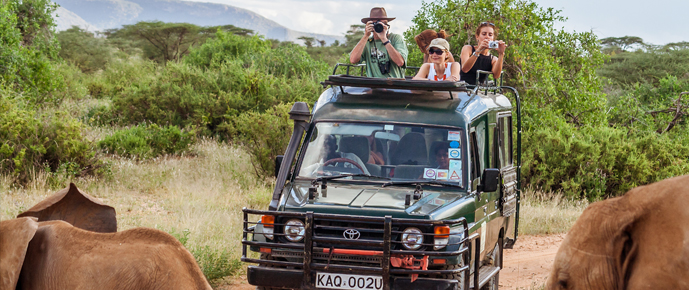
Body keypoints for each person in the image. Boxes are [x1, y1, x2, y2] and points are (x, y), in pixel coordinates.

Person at [349, 7, 408, 78]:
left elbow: (400, 62)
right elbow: (353, 60)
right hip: (374, 86)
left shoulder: (395, 38)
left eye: (382, 23)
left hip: (394, 86)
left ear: (387, 25)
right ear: (370, 24)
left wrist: (384, 39)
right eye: (376, 23)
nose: (379, 26)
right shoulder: (367, 42)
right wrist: (366, 36)